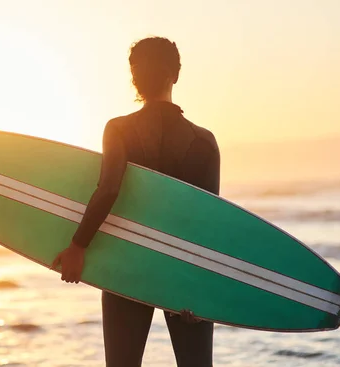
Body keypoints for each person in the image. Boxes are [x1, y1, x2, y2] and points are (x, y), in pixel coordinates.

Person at [51, 37, 220, 367]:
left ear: (134, 77)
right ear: (176, 74)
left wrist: (77, 246)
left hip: (127, 268)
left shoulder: (120, 129)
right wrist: (201, 291)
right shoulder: (203, 141)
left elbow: (108, 190)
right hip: (182, 274)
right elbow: (208, 222)